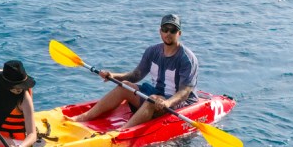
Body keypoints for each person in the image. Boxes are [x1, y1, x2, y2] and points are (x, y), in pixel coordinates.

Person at [71, 13, 199, 131]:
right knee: (124, 86)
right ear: (160, 31)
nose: (168, 33)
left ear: (179, 33)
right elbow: (136, 75)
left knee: (153, 99)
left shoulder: (186, 59)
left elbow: (184, 92)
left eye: (173, 30)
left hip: (179, 103)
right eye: (165, 29)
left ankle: (122, 131)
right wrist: (113, 75)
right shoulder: (152, 51)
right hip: (158, 95)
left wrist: (167, 103)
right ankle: (84, 117)